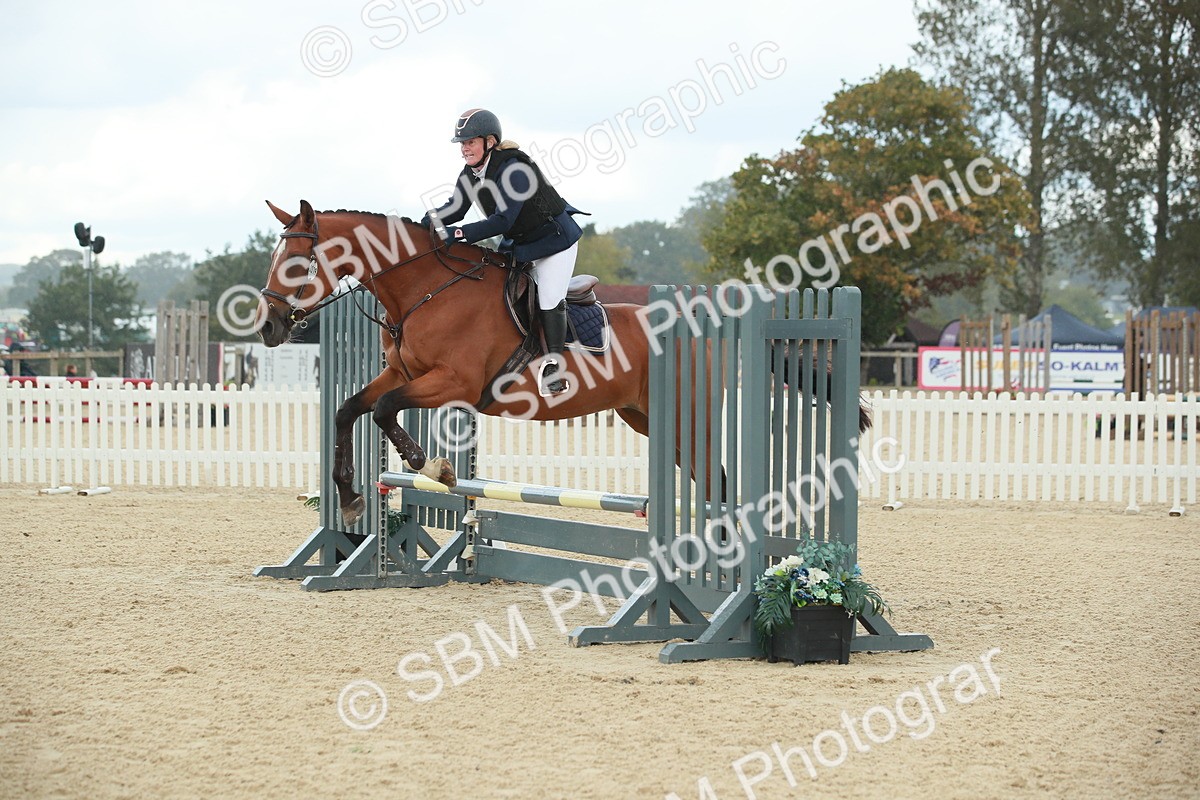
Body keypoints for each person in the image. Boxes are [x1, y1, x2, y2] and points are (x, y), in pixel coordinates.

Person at [420, 108, 587, 396]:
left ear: (490, 142)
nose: (464, 149)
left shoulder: (514, 170)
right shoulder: (471, 173)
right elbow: (455, 208)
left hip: (554, 242)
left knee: (548, 298)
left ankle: (554, 369)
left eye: (470, 142)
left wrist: (457, 234)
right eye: (462, 143)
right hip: (520, 245)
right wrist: (426, 222)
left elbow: (502, 221)